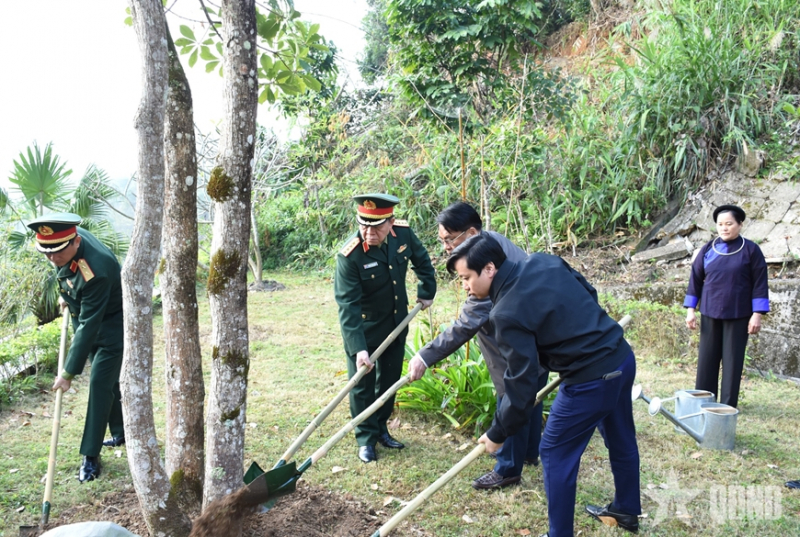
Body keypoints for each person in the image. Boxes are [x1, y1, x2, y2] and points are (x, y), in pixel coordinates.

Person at [447, 234, 641, 537]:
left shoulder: (504, 313)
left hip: (590, 379)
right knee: (621, 438)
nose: (465, 286)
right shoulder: (542, 260)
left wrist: (498, 433)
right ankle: (627, 510)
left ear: (488, 269)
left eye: (466, 278)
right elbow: (588, 293)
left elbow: (521, 384)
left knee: (553, 452)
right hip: (621, 356)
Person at [407, 202, 548, 490]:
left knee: (512, 393)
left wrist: (424, 356)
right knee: (531, 390)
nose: (446, 246)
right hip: (536, 337)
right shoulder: (492, 240)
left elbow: (466, 324)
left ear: (471, 232)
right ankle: (529, 452)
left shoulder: (485, 267)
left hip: (513, 342)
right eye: (442, 240)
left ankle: (508, 467)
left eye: (450, 239)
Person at [334, 194, 437, 463]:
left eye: (376, 226)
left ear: (391, 222)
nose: (369, 233)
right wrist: (358, 349)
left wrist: (427, 291)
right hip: (365, 329)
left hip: (397, 322)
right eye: (363, 225)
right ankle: (365, 438)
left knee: (389, 379)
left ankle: (381, 428)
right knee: (362, 385)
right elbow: (348, 306)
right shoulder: (350, 256)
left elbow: (422, 260)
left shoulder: (402, 235)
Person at [27, 213, 125, 482]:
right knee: (107, 383)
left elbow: (90, 326)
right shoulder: (64, 245)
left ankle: (90, 457)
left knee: (99, 384)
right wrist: (67, 296)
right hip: (89, 317)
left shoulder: (97, 270)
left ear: (75, 242)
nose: (51, 258)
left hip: (111, 326)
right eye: (46, 252)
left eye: (57, 253)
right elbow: (65, 272)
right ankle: (120, 431)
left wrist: (68, 373)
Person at [684, 204, 770, 408]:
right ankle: (703, 401)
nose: (724, 228)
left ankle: (727, 406)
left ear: (740, 224)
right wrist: (690, 310)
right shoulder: (707, 249)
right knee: (707, 361)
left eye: (729, 224)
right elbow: (695, 280)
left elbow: (760, 283)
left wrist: (757, 314)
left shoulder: (751, 250)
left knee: (732, 362)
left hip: (739, 314)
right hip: (710, 312)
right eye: (720, 224)